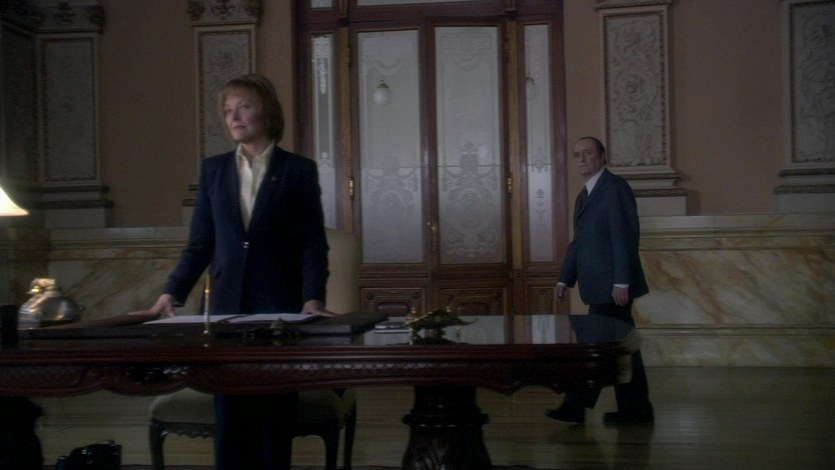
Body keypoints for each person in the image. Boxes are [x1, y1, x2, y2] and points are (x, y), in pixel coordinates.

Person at [143, 73, 331, 469]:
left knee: (274, 422)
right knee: (230, 422)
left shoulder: (298, 170)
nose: (234, 117)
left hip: (279, 310)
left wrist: (313, 297)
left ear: (267, 112)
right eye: (228, 110)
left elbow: (312, 244)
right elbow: (200, 244)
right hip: (225, 311)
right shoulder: (213, 170)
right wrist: (171, 292)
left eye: (243, 107)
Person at [547, 136, 654, 426]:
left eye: (588, 153)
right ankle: (636, 409)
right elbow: (579, 243)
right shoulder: (584, 195)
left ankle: (576, 406)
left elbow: (625, 236)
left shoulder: (615, 187)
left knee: (597, 346)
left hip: (613, 288)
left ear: (603, 156)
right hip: (598, 286)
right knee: (622, 348)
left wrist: (622, 281)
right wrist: (565, 278)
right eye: (577, 154)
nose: (582, 159)